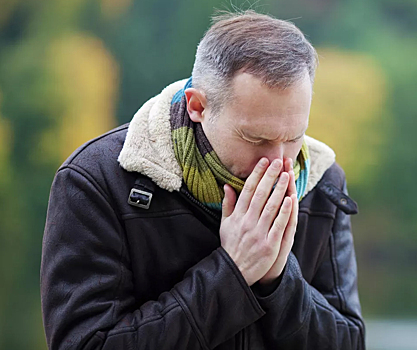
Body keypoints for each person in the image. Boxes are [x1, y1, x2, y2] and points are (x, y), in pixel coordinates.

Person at [40, 10, 365, 350]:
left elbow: (348, 342)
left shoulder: (322, 181)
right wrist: (233, 272)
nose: (281, 162)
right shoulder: (97, 180)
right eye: (257, 139)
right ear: (198, 106)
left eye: (295, 136)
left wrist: (279, 280)